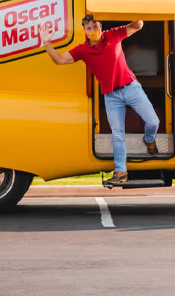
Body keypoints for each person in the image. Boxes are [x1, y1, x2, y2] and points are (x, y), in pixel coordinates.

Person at [38, 14, 160, 185]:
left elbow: (137, 26)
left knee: (153, 121)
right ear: (85, 31)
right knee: (117, 134)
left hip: (131, 88)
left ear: (101, 26)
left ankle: (149, 140)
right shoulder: (82, 50)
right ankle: (121, 171)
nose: (93, 30)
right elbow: (59, 60)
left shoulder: (113, 35)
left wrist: (133, 11)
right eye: (89, 28)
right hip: (111, 96)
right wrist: (47, 43)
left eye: (96, 27)